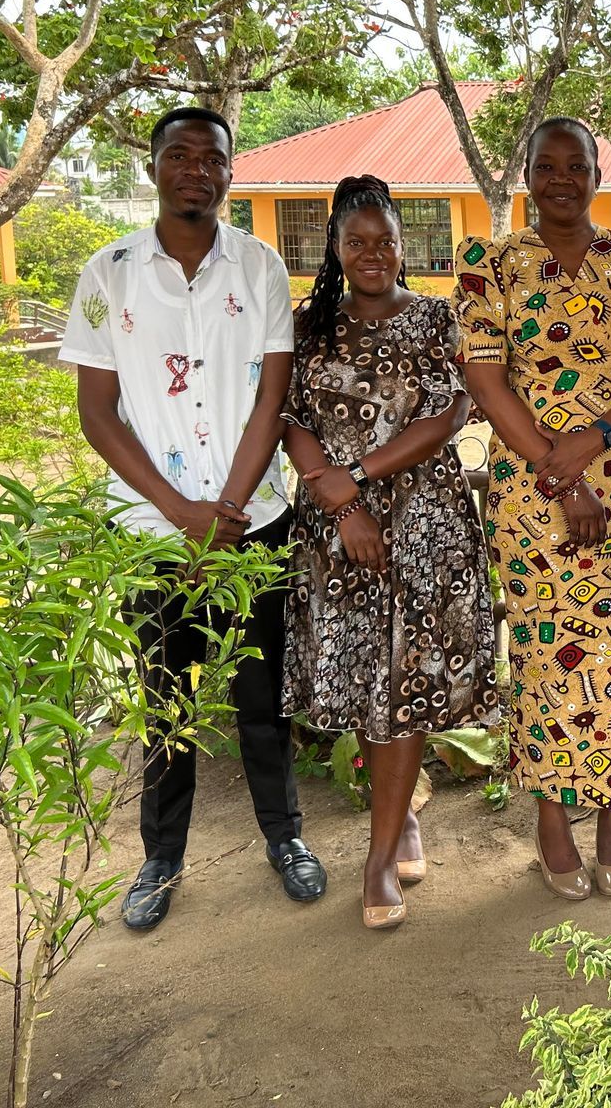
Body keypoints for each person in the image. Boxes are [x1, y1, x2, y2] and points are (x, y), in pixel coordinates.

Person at [63, 105, 326, 932]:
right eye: (179, 156)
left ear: (229, 174)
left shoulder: (260, 267)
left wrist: (228, 513)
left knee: (262, 696)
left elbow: (272, 398)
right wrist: (181, 513)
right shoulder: (108, 274)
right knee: (164, 699)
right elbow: (97, 413)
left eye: (211, 159)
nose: (195, 171)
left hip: (255, 524)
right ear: (152, 169)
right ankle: (161, 857)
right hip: (153, 533)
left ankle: (284, 837)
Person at [452, 117, 611, 901]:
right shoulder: (490, 265)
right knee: (541, 655)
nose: (560, 179)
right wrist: (562, 475)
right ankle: (552, 817)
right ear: (526, 175)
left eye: (575, 165)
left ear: (597, 174)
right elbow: (486, 383)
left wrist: (595, 441)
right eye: (545, 166)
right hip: (530, 488)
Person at [277, 175, 501, 930]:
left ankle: (377, 860)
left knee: (405, 685)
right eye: (356, 242)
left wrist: (361, 478)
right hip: (336, 533)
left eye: (386, 242)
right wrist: (342, 505)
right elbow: (289, 419)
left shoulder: (438, 319)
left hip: (424, 526)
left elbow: (450, 414)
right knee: (365, 683)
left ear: (404, 247)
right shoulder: (309, 326)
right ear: (335, 249)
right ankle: (399, 816)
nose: (372, 254)